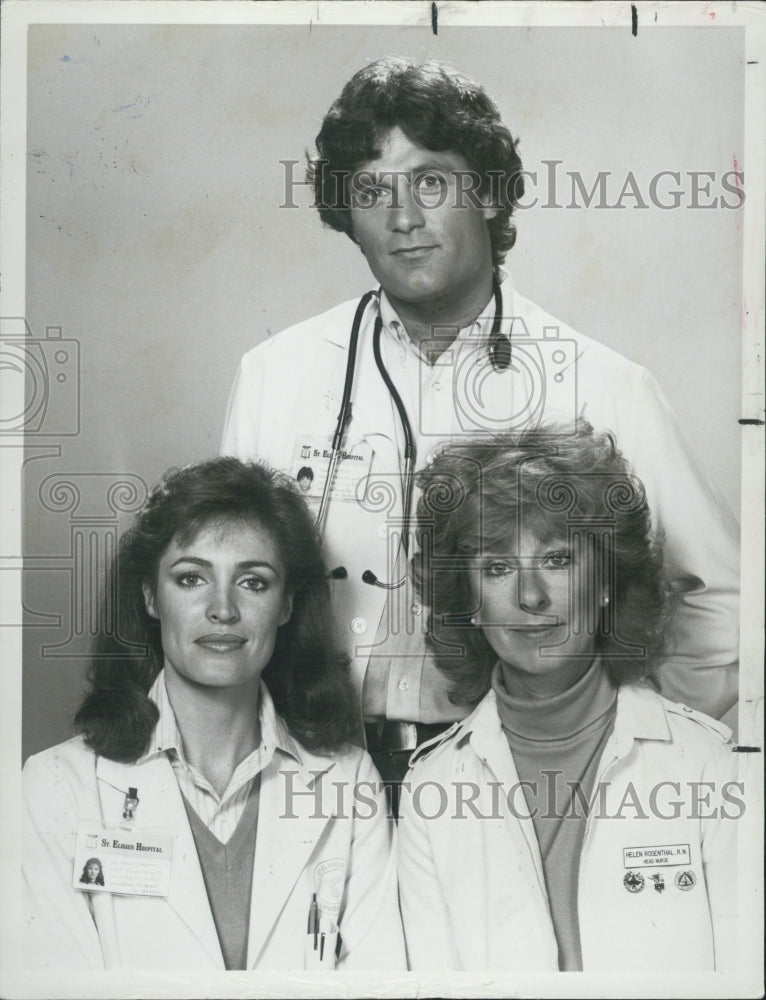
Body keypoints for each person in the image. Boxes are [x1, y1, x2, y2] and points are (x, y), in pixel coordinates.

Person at [222, 57, 739, 799]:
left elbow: (722, 600)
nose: (403, 219)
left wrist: (641, 742)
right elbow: (229, 590)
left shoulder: (602, 384)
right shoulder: (276, 375)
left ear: (490, 193)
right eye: (372, 190)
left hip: (526, 780)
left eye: (430, 182)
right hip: (309, 779)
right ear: (346, 213)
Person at [22, 458, 405, 971]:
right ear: (149, 597)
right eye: (191, 579)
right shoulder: (55, 786)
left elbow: (378, 979)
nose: (222, 609)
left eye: (253, 583)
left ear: (288, 605)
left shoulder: (350, 778)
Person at [397, 425, 739, 971]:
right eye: (498, 568)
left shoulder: (712, 767)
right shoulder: (428, 792)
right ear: (468, 601)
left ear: (605, 580)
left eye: (557, 560)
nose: (530, 597)